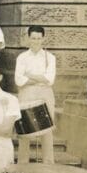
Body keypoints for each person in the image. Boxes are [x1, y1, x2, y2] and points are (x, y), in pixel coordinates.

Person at [15, 26, 56, 164]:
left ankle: (48, 166)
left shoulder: (50, 57)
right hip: (26, 93)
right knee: (25, 131)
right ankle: (22, 166)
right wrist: (40, 78)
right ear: (28, 38)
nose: (36, 41)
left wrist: (29, 75)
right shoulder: (22, 57)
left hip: (45, 94)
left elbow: (50, 79)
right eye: (33, 38)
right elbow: (19, 80)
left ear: (43, 39)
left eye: (39, 38)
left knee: (47, 132)